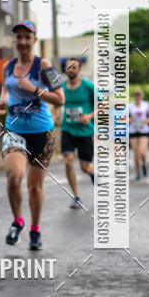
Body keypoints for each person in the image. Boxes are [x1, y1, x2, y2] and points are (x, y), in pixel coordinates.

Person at [1, 20, 65, 250]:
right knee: (13, 176)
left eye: (27, 37)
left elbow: (60, 98)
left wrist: (34, 89)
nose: (23, 42)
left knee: (34, 188)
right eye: (19, 37)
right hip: (14, 129)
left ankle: (35, 229)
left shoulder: (44, 66)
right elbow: (5, 90)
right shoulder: (7, 67)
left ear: (34, 40)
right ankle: (18, 220)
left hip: (42, 133)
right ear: (15, 41)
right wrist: (2, 99)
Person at [60, 59, 96, 209]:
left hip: (85, 131)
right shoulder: (61, 87)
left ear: (79, 69)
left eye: (74, 67)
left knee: (84, 167)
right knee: (68, 160)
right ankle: (76, 196)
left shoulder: (88, 86)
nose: (71, 69)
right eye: (68, 67)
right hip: (67, 129)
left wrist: (89, 116)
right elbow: (57, 103)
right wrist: (55, 115)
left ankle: (93, 173)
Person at [128, 88, 149, 180]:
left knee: (142, 152)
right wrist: (131, 119)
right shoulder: (130, 106)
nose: (137, 97)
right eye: (136, 95)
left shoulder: (146, 105)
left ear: (141, 96)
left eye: (139, 95)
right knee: (136, 154)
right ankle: (138, 172)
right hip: (133, 131)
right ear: (134, 96)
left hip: (144, 131)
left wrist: (146, 120)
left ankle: (144, 165)